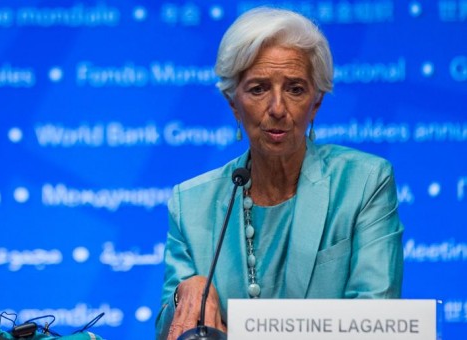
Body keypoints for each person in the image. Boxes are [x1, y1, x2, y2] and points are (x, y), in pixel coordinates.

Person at [155, 7, 404, 340]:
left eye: (295, 89)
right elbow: (167, 330)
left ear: (316, 102)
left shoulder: (365, 183)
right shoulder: (191, 203)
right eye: (258, 89)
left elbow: (378, 319)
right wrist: (187, 290)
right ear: (233, 103)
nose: (277, 108)